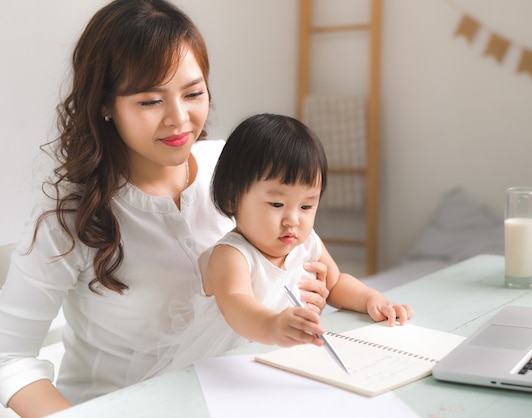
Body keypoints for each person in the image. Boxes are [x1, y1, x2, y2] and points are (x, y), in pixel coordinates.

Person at [0, 2, 329, 417]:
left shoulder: (233, 169)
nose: (180, 119)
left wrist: (298, 286)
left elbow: (285, 260)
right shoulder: (69, 216)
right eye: (151, 101)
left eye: (193, 93)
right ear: (106, 105)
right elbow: (9, 359)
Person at [204, 113, 413, 349]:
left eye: (306, 206)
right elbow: (235, 303)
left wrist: (371, 299)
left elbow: (335, 284)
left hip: (278, 352)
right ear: (232, 197)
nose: (292, 220)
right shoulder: (232, 254)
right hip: (226, 356)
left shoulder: (306, 243)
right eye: (277, 204)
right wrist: (273, 325)